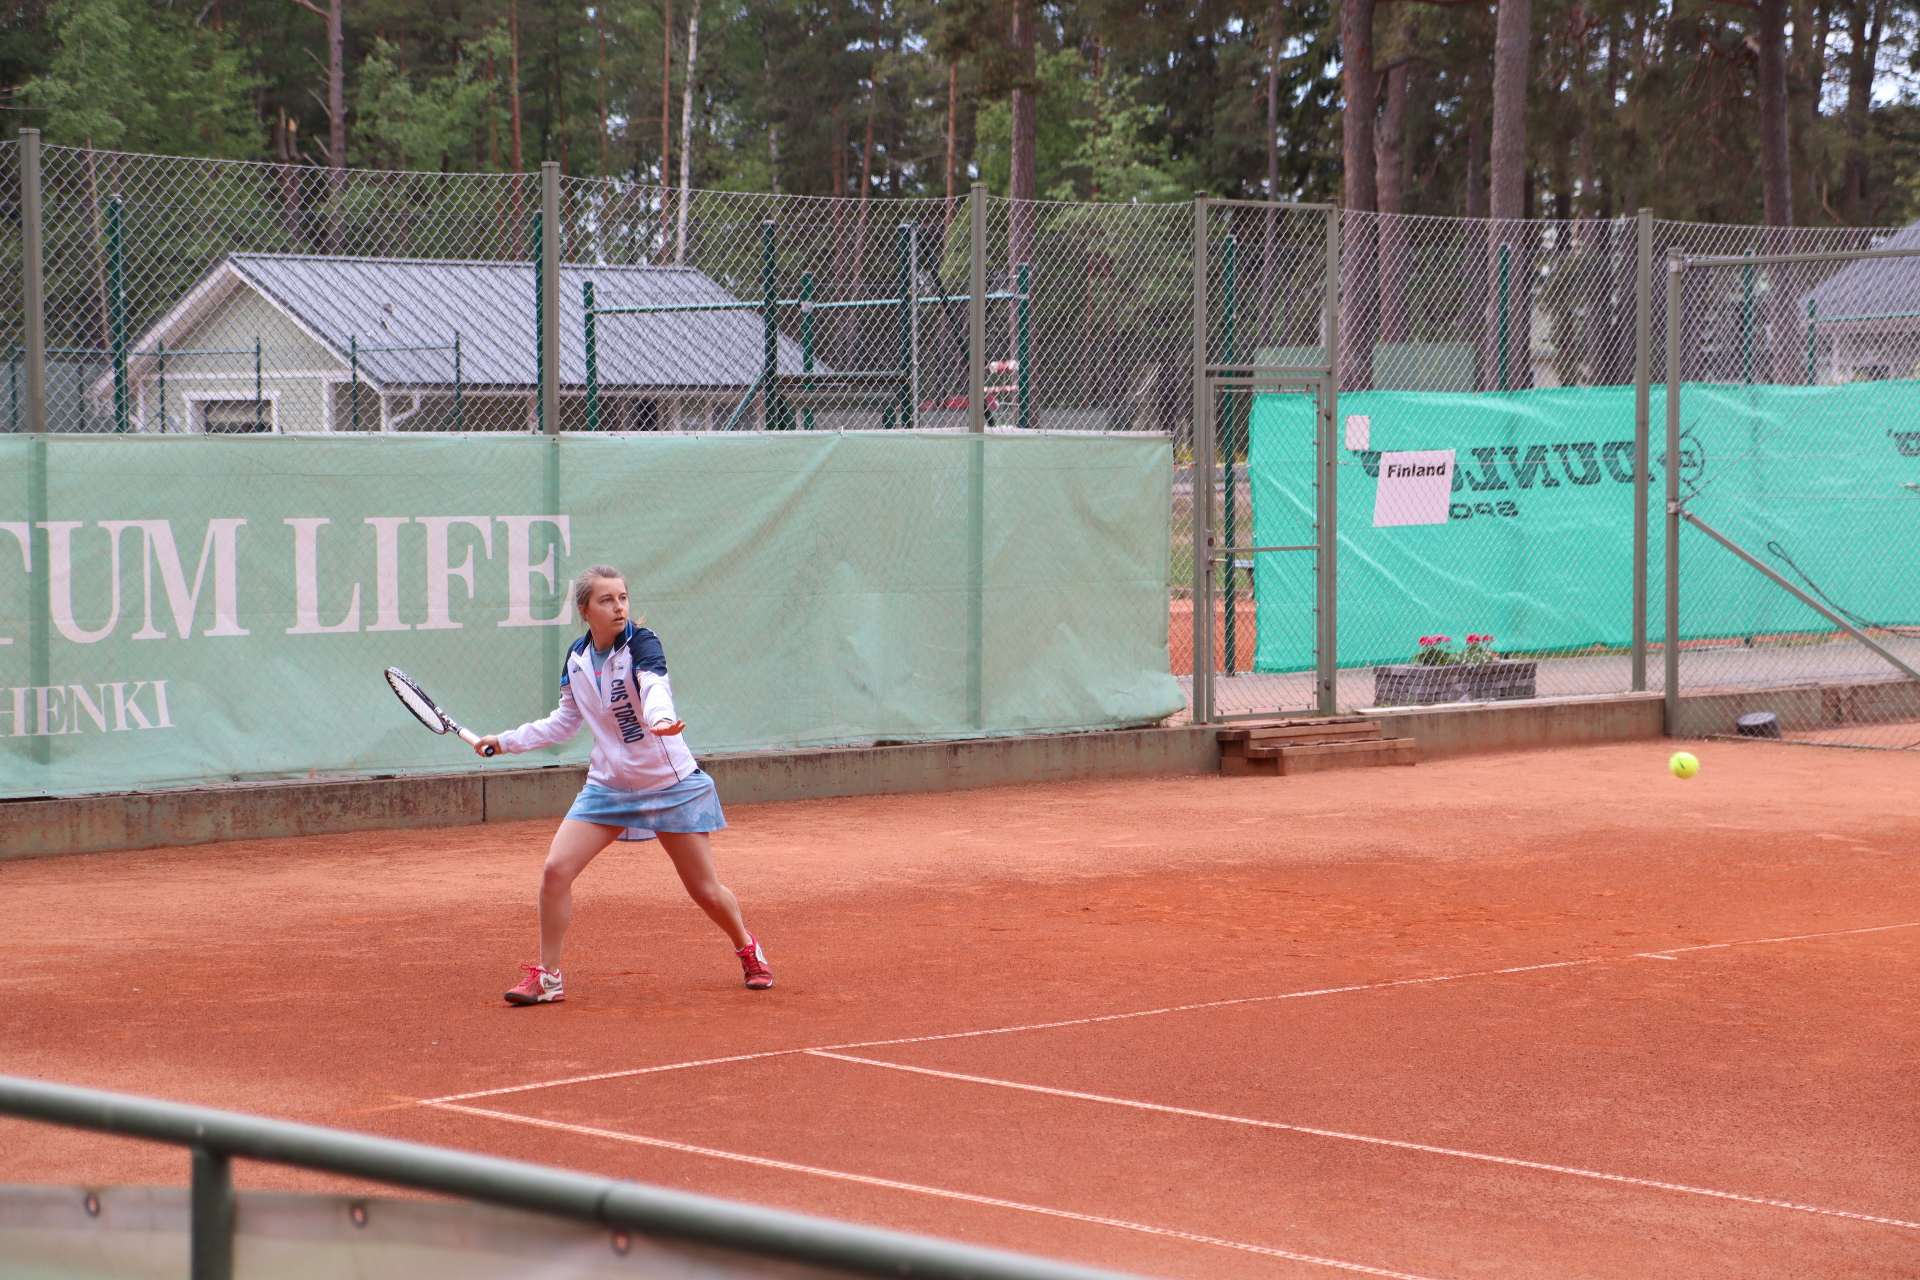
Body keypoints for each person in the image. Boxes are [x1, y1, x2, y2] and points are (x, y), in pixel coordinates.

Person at [476, 565, 771, 1004]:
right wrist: (505, 742)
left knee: (704, 891)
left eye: (623, 598)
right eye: (606, 600)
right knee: (556, 871)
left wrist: (661, 720)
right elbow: (563, 723)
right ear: (585, 610)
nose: (618, 607)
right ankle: (548, 978)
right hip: (608, 787)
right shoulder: (576, 660)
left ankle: (748, 948)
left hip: (668, 784)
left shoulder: (642, 643)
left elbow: (654, 688)